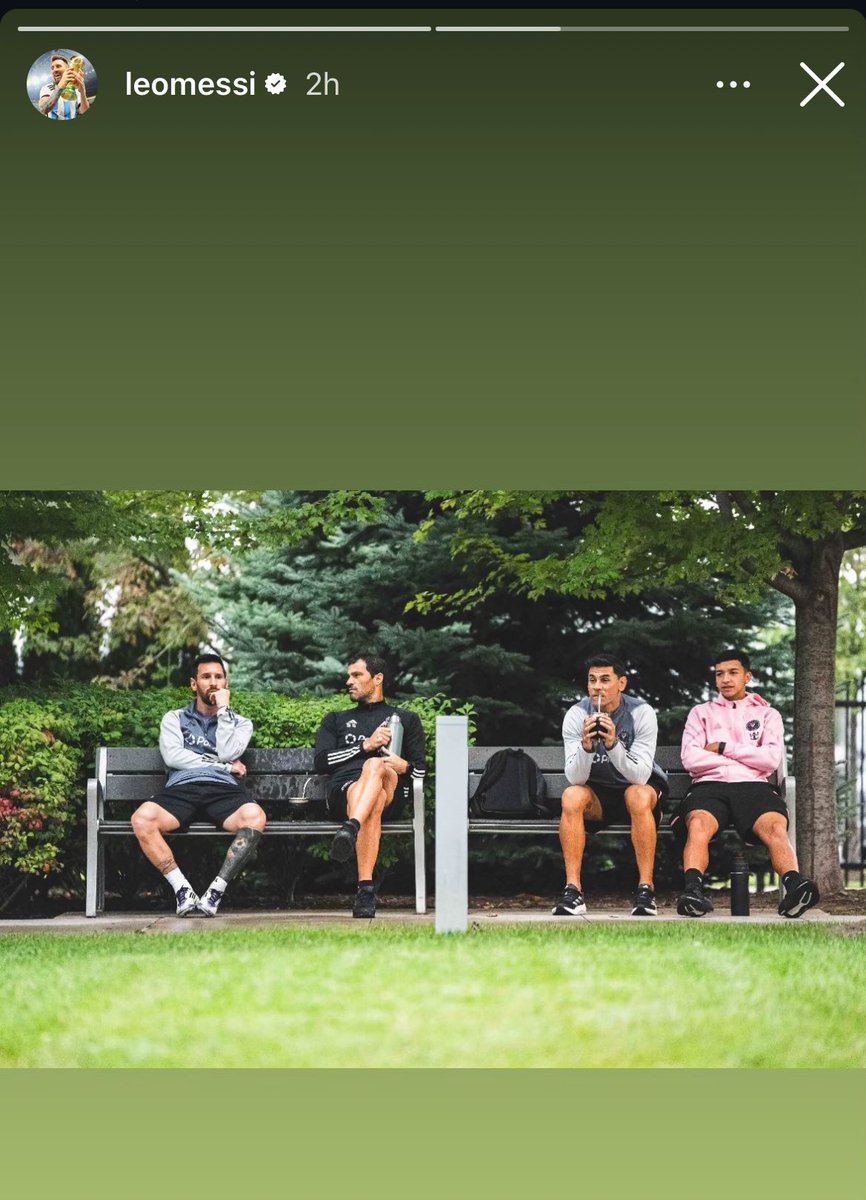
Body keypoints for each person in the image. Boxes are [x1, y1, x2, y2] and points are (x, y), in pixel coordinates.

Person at [676, 650, 819, 918]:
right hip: (709, 786)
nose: (725, 680)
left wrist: (723, 748)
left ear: (747, 676)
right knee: (698, 824)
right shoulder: (701, 713)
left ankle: (795, 886)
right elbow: (690, 759)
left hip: (754, 787)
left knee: (775, 826)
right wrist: (742, 760)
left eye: (733, 673)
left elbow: (770, 759)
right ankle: (692, 892)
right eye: (720, 674)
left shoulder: (767, 714)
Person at [130, 653, 265, 917]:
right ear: (194, 684)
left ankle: (215, 892)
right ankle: (182, 889)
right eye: (206, 677)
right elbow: (173, 757)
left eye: (218, 677)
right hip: (183, 787)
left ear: (226, 683)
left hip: (222, 790)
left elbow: (226, 751)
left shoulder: (241, 723)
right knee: (142, 819)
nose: (212, 683)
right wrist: (225, 767)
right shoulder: (174, 718)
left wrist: (224, 712)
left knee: (255, 817)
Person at [314, 653, 426, 918]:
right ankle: (366, 891)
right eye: (348, 676)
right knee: (371, 789)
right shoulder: (336, 719)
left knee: (376, 766)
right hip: (346, 791)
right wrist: (365, 746)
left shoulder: (405, 719)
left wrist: (405, 767)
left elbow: (422, 770)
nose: (348, 682)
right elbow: (321, 762)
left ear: (377, 679)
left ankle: (351, 828)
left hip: (390, 791)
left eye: (356, 675)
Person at [554, 655, 668, 917]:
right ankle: (573, 891)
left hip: (635, 790)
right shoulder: (576, 715)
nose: (598, 687)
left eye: (605, 680)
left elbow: (640, 775)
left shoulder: (641, 713)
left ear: (622, 683)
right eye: (592, 680)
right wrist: (585, 747)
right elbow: (576, 778)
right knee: (572, 796)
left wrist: (613, 744)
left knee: (638, 794)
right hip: (597, 796)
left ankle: (646, 890)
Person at [38, 53, 90, 120]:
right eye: (52, 68)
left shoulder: (76, 90)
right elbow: (43, 109)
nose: (54, 70)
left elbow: (84, 111)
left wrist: (82, 91)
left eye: (58, 66)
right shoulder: (47, 88)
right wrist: (61, 84)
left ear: (68, 69)